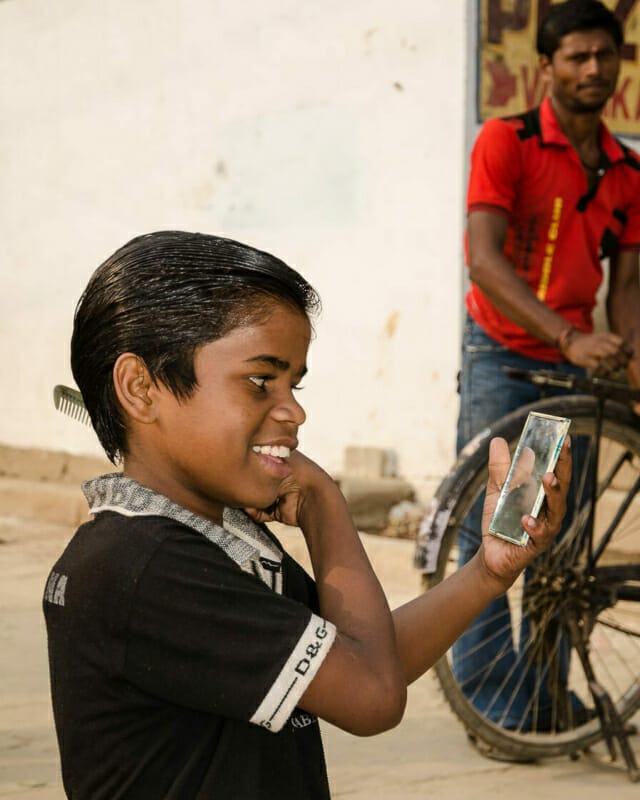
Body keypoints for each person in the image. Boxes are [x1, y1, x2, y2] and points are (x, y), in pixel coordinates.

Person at [43, 230, 570, 799]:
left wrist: (487, 573)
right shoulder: (145, 567)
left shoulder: (214, 536)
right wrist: (323, 502)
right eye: (260, 380)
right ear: (139, 388)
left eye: (293, 382)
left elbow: (360, 654)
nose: (293, 410)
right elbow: (373, 695)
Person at [452, 0, 640, 750]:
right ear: (548, 67)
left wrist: (629, 359)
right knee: (499, 525)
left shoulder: (627, 170)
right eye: (576, 57)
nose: (592, 69)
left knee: (558, 540)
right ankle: (498, 706)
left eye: (605, 56)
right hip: (508, 353)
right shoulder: (509, 139)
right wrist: (569, 334)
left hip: (576, 361)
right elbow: (484, 259)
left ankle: (545, 699)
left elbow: (626, 291)